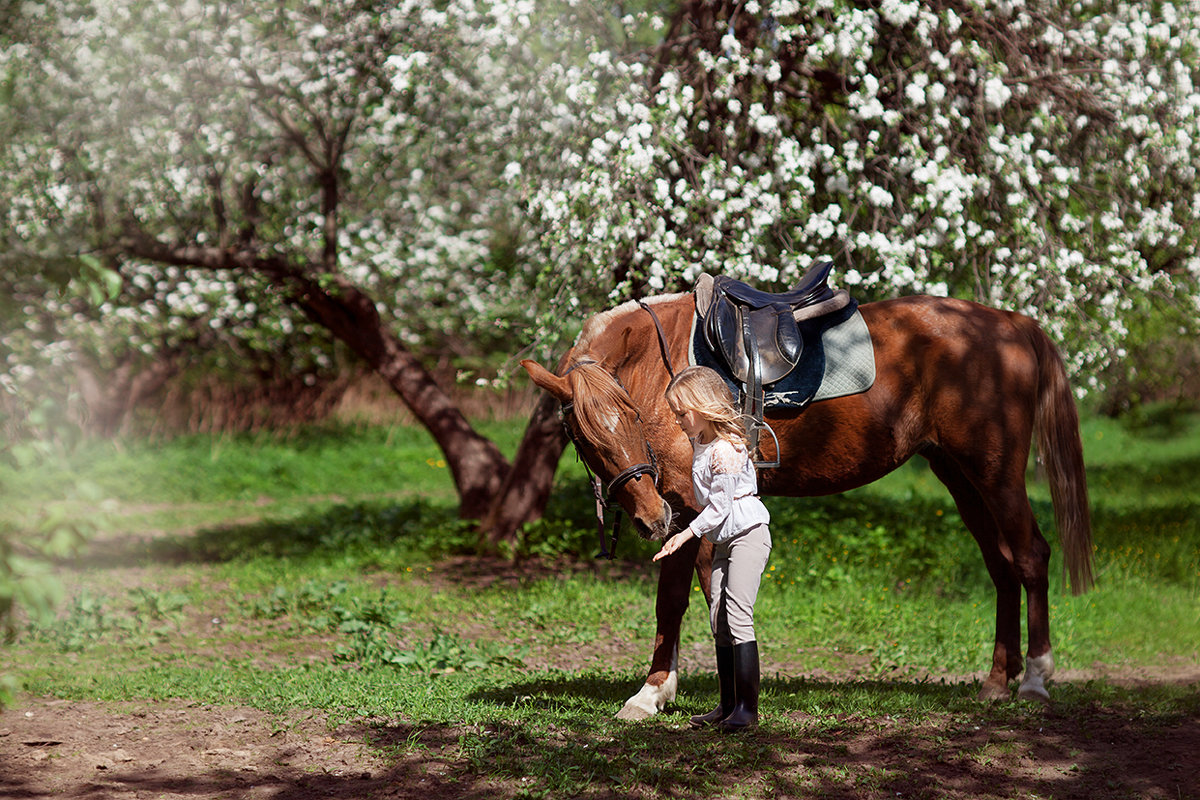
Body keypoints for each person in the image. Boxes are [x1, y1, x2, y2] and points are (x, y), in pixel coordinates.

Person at [653, 365, 771, 732]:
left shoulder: (726, 449)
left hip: (748, 533)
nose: (679, 421)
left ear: (703, 407)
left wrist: (684, 535)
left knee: (737, 614)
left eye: (682, 413)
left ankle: (747, 711)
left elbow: (720, 505)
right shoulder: (701, 444)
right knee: (719, 617)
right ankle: (726, 705)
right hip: (723, 538)